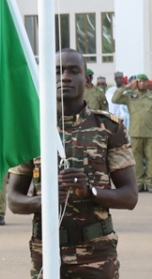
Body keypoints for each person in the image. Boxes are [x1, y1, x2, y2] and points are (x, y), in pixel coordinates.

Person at [8, 49, 137, 279]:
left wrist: (90, 192)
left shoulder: (108, 128)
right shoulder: (31, 130)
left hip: (96, 253)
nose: (65, 77)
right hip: (46, 252)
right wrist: (43, 201)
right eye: (57, 71)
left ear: (87, 80)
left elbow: (129, 196)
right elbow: (14, 200)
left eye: (73, 71)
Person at [112, 73, 152, 192]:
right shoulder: (130, 96)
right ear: (136, 83)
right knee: (137, 159)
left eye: (144, 81)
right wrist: (127, 86)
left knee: (151, 159)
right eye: (139, 81)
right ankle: (139, 182)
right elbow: (115, 99)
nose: (142, 83)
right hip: (135, 132)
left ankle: (149, 182)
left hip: (150, 133)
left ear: (147, 83)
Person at [106, 72, 130, 138]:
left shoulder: (128, 90)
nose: (119, 79)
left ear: (123, 78)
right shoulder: (110, 91)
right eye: (117, 78)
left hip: (126, 119)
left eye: (120, 78)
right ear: (114, 79)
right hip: (113, 118)